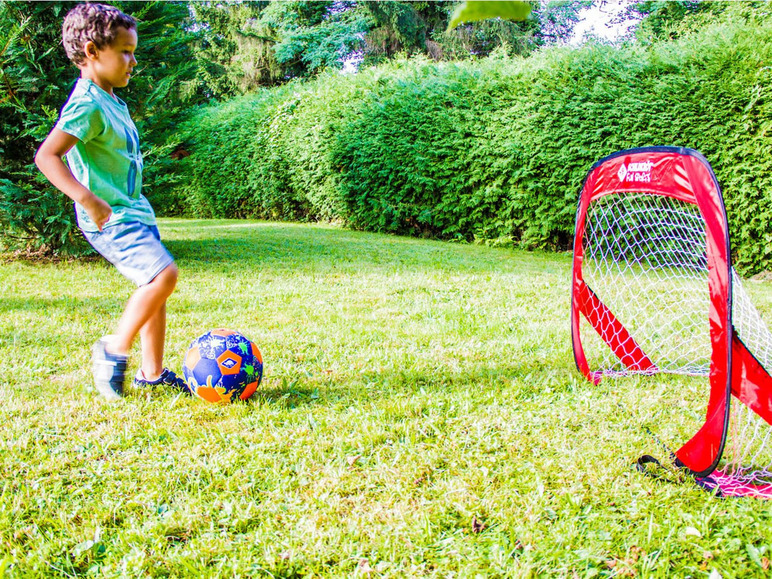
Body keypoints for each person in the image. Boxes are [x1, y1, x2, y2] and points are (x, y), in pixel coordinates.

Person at [35, 3, 187, 400]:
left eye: (133, 51)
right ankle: (113, 349)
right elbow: (47, 156)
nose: (133, 61)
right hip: (109, 217)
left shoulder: (111, 99)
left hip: (134, 210)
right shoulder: (86, 102)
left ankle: (151, 373)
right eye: (124, 51)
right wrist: (87, 199)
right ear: (91, 52)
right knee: (162, 276)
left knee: (154, 286)